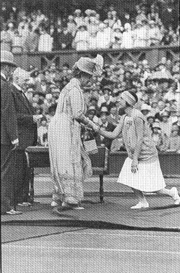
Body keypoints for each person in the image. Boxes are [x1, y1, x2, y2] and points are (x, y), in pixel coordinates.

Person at [95, 90, 180, 209]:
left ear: (128, 102)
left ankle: (172, 193)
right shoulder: (124, 117)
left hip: (147, 154)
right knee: (129, 178)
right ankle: (142, 201)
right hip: (134, 154)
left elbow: (140, 139)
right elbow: (113, 134)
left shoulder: (138, 116)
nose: (118, 101)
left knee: (153, 187)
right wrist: (96, 129)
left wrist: (135, 160)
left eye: (121, 99)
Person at [48, 55, 103, 209]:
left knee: (61, 160)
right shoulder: (75, 88)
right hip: (65, 127)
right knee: (70, 160)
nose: (90, 80)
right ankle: (70, 198)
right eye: (89, 77)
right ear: (82, 74)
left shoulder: (68, 87)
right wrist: (93, 125)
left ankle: (57, 196)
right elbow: (77, 114)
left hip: (59, 124)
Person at [11, 67, 41, 206]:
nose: (27, 83)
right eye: (25, 80)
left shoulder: (21, 93)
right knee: (19, 170)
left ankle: (23, 197)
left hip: (27, 139)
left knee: (24, 169)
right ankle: (18, 198)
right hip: (21, 138)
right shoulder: (12, 92)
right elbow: (13, 116)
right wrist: (31, 118)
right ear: (16, 79)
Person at [1, 51, 21, 215]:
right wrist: (14, 137)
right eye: (11, 68)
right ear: (6, 67)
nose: (12, 72)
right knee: (5, 172)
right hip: (4, 138)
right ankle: (6, 206)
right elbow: (8, 113)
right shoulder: (4, 86)